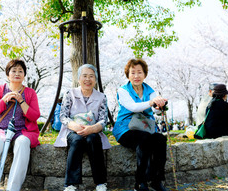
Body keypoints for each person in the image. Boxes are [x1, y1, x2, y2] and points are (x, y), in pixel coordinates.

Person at [0, 59, 41, 191]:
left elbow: (34, 116)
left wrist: (21, 101)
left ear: (24, 75)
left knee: (23, 143)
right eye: (14, 70)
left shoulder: (30, 93)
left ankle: (13, 188)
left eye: (20, 71)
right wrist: (4, 99)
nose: (17, 73)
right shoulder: (0, 89)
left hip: (23, 131)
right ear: (7, 74)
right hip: (1, 130)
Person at [113, 58, 168, 191]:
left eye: (139, 72)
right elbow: (133, 107)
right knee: (144, 139)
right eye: (133, 73)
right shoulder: (123, 90)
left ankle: (157, 180)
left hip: (146, 128)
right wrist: (151, 103)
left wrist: (161, 105)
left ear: (145, 74)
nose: (136, 76)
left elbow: (155, 110)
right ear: (128, 75)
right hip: (125, 129)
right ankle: (140, 182)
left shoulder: (150, 90)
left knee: (160, 139)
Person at [54, 64, 111, 191]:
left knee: (93, 139)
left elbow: (103, 119)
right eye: (84, 76)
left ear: (95, 80)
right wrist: (75, 127)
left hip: (93, 130)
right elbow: (63, 115)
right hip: (72, 130)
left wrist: (92, 129)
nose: (88, 79)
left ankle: (101, 183)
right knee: (77, 140)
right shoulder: (70, 93)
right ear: (79, 79)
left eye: (91, 76)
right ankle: (70, 184)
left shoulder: (101, 97)